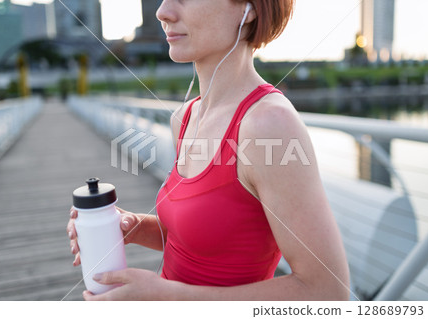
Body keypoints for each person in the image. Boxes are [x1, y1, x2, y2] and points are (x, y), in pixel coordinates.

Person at [67, 0, 350, 300]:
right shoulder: (185, 117)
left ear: (248, 9)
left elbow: (328, 291)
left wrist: (170, 299)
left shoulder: (269, 125)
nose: (163, 12)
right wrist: (132, 228)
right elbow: (202, 239)